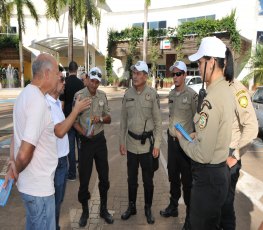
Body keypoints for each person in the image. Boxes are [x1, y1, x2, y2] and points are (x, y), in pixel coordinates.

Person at [175, 36, 236, 229]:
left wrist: (182, 139)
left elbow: (202, 154)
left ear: (211, 63)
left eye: (200, 62)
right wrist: (197, 135)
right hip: (219, 175)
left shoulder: (213, 98)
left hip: (208, 179)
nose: (199, 67)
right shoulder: (226, 90)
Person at [4, 53, 60, 229]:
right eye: (57, 72)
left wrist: (13, 164)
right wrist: (15, 170)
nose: (60, 77)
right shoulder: (38, 102)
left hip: (30, 187)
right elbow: (26, 150)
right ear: (46, 74)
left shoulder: (24, 95)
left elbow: (15, 135)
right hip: (39, 190)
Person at [45, 66, 90, 230]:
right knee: (54, 201)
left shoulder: (56, 102)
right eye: (61, 80)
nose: (64, 83)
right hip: (55, 162)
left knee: (59, 200)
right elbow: (59, 131)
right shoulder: (47, 104)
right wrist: (76, 110)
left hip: (62, 160)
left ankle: (54, 225)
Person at [119, 60, 162, 224]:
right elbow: (123, 121)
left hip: (147, 147)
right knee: (131, 179)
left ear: (145, 76)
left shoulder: (152, 95)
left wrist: (157, 145)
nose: (134, 76)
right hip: (130, 144)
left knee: (148, 180)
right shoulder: (127, 94)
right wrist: (121, 142)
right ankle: (132, 206)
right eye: (133, 73)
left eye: (138, 73)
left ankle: (148, 208)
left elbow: (158, 123)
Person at [73, 67, 114, 227]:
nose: (94, 84)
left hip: (100, 141)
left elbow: (109, 118)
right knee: (84, 179)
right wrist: (83, 132)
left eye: (97, 82)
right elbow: (74, 121)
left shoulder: (102, 95)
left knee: (104, 177)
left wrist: (101, 119)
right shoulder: (79, 96)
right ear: (87, 78)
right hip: (86, 142)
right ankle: (85, 210)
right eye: (92, 80)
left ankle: (103, 209)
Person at [160, 61, 197, 230]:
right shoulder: (171, 94)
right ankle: (173, 206)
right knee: (173, 176)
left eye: (177, 74)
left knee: (187, 181)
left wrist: (194, 139)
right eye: (173, 74)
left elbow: (198, 122)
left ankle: (190, 216)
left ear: (184, 75)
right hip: (173, 143)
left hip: (186, 145)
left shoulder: (192, 95)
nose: (174, 77)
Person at [220, 79, 258, 229]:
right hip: (216, 154)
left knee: (226, 207)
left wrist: (235, 156)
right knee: (217, 206)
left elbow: (251, 126)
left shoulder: (237, 89)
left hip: (229, 154)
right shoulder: (216, 88)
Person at [60, 61, 84, 181]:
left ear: (69, 70)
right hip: (79, 119)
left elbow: (62, 104)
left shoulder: (65, 83)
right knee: (80, 146)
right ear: (77, 69)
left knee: (70, 147)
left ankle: (72, 174)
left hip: (68, 119)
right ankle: (82, 170)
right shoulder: (81, 83)